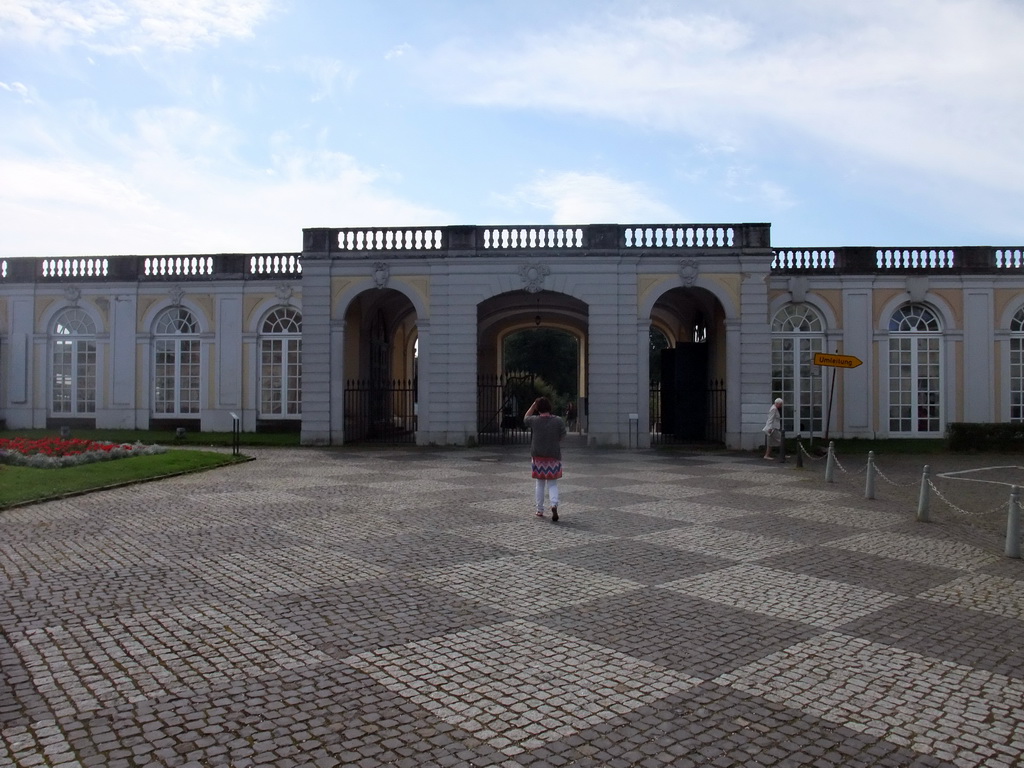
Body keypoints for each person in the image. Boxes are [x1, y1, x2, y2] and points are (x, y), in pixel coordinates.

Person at [524, 396, 567, 521]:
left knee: (540, 483)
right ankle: (554, 504)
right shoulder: (558, 420)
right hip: (553, 455)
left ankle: (539, 509)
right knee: (552, 483)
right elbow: (563, 435)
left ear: (538, 409)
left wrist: (533, 405)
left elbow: (525, 418)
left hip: (538, 456)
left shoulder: (534, 420)